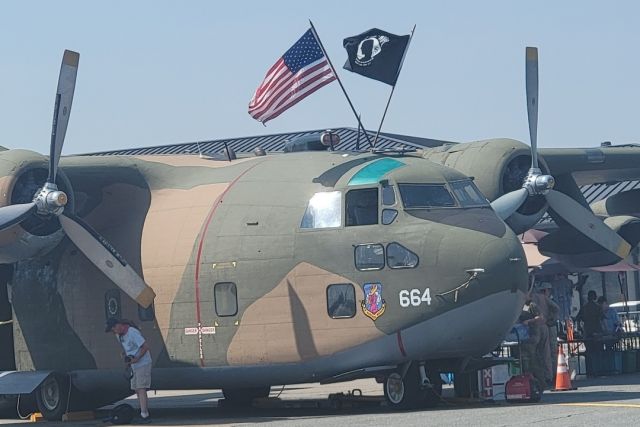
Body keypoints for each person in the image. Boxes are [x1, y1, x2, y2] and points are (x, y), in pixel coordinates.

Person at [106, 318, 152, 423]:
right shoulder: (119, 335)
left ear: (119, 325)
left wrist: (137, 358)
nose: (114, 331)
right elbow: (126, 348)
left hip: (143, 363)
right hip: (133, 365)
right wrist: (124, 354)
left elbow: (145, 347)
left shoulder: (133, 332)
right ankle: (142, 410)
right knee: (136, 388)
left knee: (141, 388)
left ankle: (145, 415)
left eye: (114, 328)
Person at [518, 293, 547, 389]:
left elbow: (540, 317)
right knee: (526, 360)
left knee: (533, 360)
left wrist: (529, 321)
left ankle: (541, 383)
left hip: (533, 335)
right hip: (524, 335)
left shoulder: (532, 305)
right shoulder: (522, 306)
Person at [535, 282, 560, 384]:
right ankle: (550, 375)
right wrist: (550, 319)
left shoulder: (532, 298)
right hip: (546, 326)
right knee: (548, 352)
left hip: (535, 327)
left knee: (538, 353)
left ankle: (544, 375)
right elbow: (556, 308)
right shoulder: (544, 298)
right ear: (545, 291)